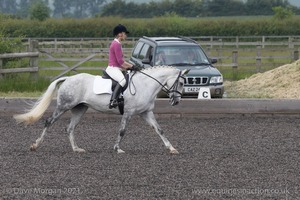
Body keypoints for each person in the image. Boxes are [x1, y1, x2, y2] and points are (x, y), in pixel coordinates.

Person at [105, 24, 135, 109]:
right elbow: (120, 61)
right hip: (112, 68)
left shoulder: (117, 43)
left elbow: (120, 63)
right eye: (124, 33)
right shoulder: (116, 44)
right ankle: (113, 100)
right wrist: (132, 66)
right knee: (122, 81)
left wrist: (129, 67)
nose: (126, 35)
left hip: (116, 67)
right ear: (119, 34)